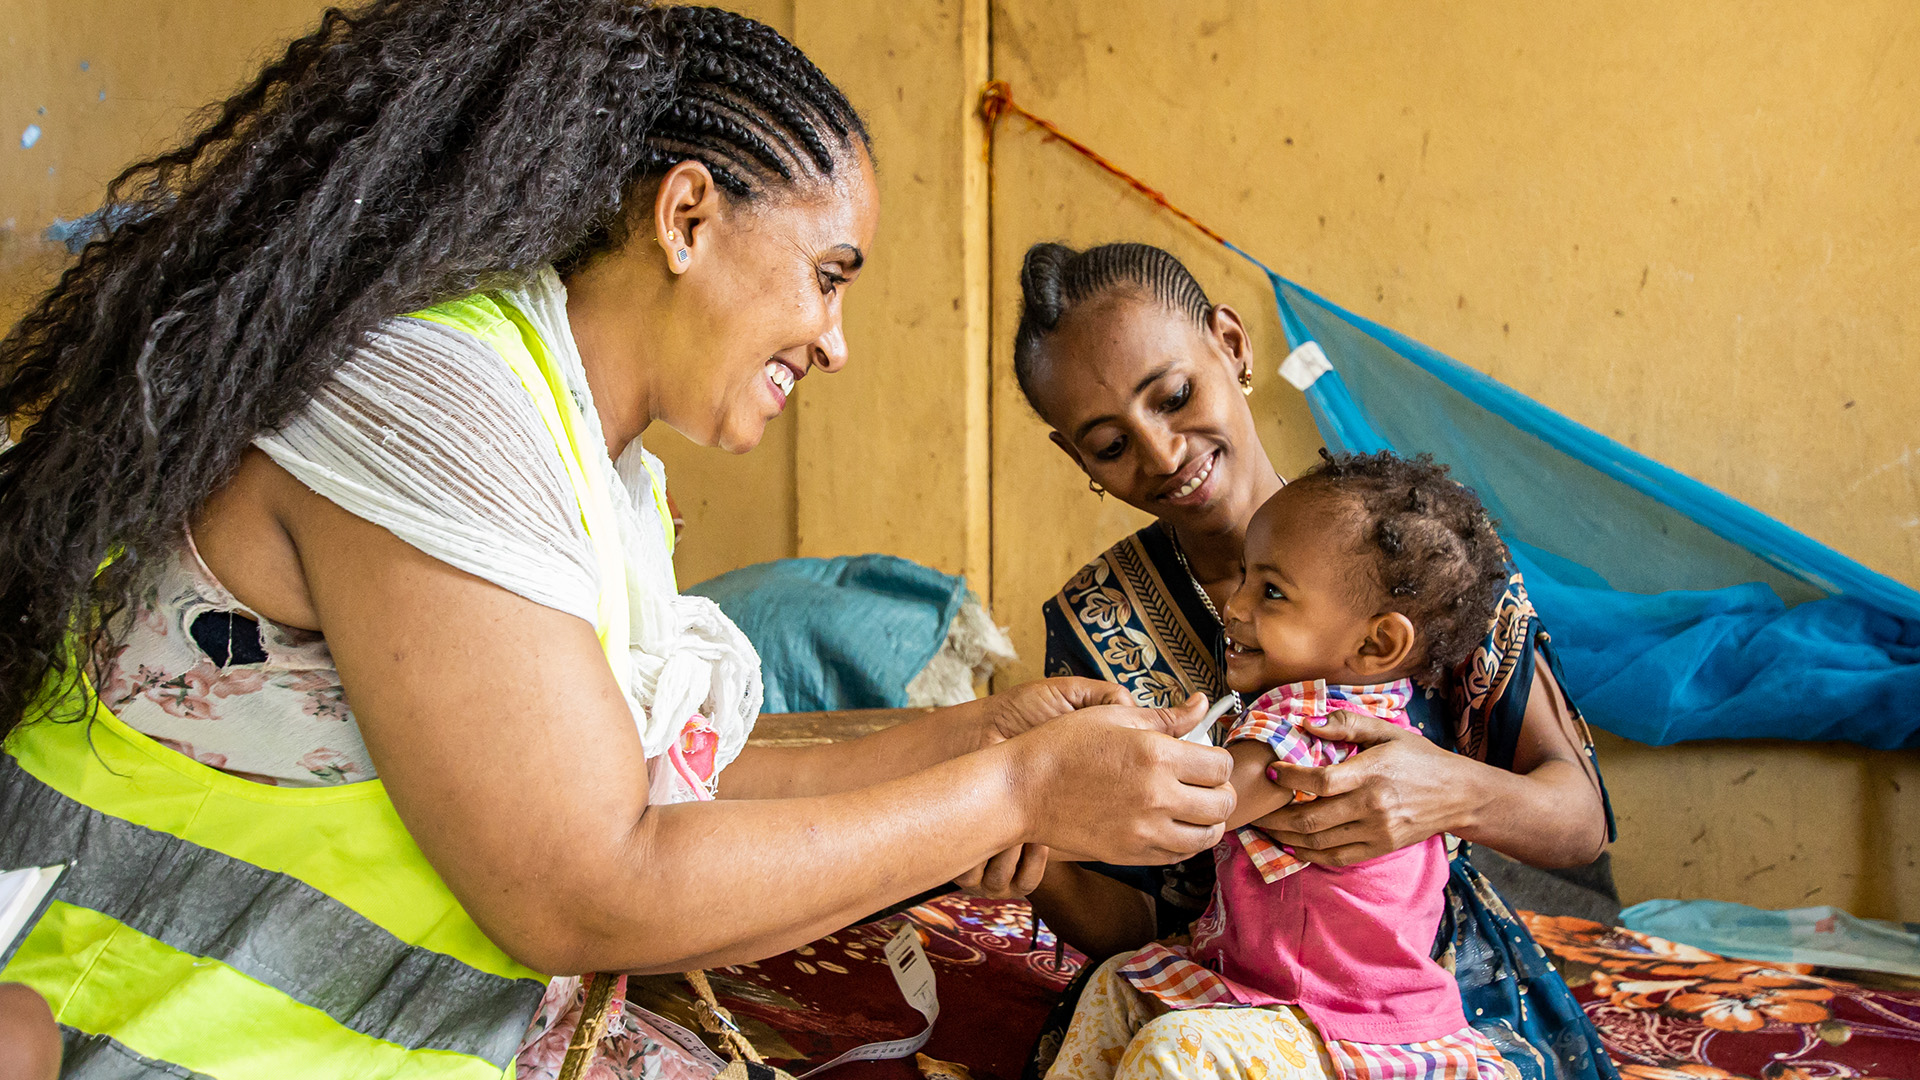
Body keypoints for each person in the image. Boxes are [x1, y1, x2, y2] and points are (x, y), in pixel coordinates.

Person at [0, 9, 1235, 1079]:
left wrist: (969, 739)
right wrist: (1010, 794)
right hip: (138, 1030)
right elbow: (588, 885)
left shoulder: (593, 462)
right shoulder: (437, 402)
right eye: (828, 274)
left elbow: (647, 780)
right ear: (687, 214)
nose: (835, 338)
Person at [1009, 241, 1618, 1080]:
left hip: (1420, 990)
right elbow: (1139, 921)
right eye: (1110, 444)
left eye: (1175, 395)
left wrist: (1446, 789)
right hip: (1228, 978)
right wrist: (1026, 861)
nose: (1160, 454)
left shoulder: (1409, 558)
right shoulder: (1095, 620)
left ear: (1232, 343)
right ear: (1074, 456)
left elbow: (1578, 822)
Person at [1046, 454, 1515, 1080]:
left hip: (1339, 1023)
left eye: (1271, 592)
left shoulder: (1311, 716)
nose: (1235, 606)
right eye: (1244, 577)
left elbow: (1200, 805)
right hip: (1269, 989)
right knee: (1117, 985)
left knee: (1177, 1049)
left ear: (1377, 644)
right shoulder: (1355, 708)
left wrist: (1053, 778)